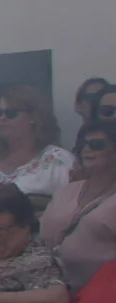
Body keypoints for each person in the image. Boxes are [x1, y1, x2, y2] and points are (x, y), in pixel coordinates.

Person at [0, 84, 73, 213]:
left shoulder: (58, 161)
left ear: (34, 117)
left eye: (10, 113)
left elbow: (72, 214)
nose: (2, 118)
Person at [40, 120, 116, 292]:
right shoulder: (66, 191)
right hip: (49, 287)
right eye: (83, 144)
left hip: (101, 294)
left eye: (97, 145)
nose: (87, 149)